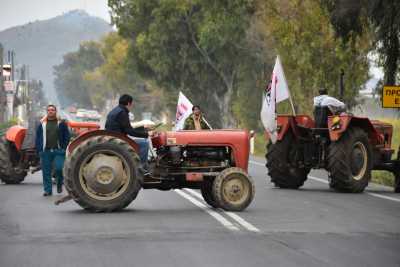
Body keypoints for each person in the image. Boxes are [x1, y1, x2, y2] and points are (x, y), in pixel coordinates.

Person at [105, 94, 152, 168]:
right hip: (118, 140)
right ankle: (142, 167)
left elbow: (126, 128)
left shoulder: (115, 110)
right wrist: (146, 134)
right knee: (144, 143)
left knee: (141, 142)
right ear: (129, 103)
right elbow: (130, 131)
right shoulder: (123, 112)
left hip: (113, 138)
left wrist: (143, 128)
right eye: (131, 104)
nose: (131, 107)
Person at [35, 104, 70, 196]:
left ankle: (59, 184)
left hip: (58, 151)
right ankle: (48, 190)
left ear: (55, 112)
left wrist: (64, 148)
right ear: (47, 112)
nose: (50, 111)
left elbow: (67, 136)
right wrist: (39, 149)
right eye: (49, 110)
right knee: (46, 172)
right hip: (45, 151)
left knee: (59, 169)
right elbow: (38, 137)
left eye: (52, 110)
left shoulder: (61, 123)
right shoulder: (42, 124)